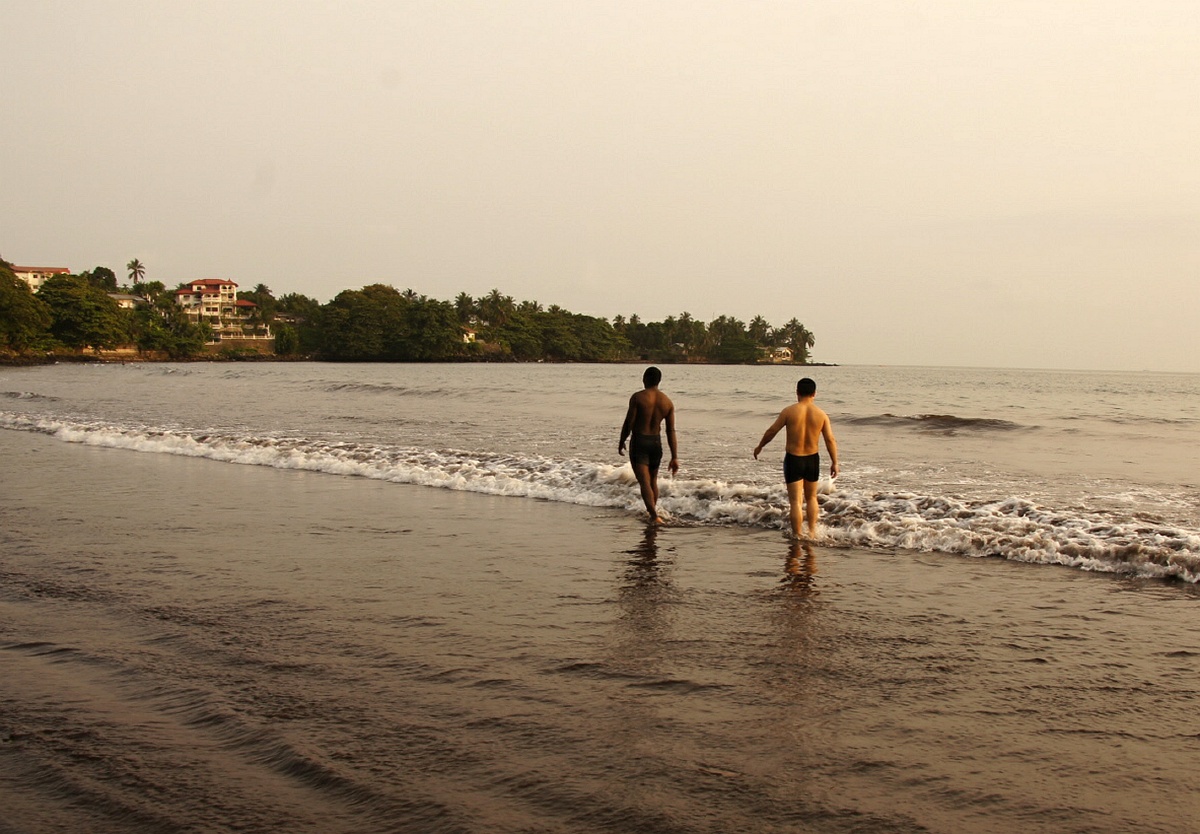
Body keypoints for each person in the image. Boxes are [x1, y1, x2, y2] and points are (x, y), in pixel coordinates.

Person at [754, 377, 839, 539]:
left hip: (794, 459)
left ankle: (797, 535)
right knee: (812, 498)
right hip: (812, 459)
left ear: (797, 392)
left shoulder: (789, 411)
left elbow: (772, 431)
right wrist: (835, 462)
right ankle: (812, 533)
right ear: (814, 393)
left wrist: (760, 446)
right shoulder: (821, 414)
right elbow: (830, 439)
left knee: (795, 502)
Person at [618, 366, 679, 523]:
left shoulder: (638, 397)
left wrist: (622, 439)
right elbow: (671, 431)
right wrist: (674, 457)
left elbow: (629, 422)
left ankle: (654, 515)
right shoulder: (667, 402)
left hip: (640, 441)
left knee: (644, 481)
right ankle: (653, 511)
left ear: (644, 379)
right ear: (659, 381)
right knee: (652, 480)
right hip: (656, 443)